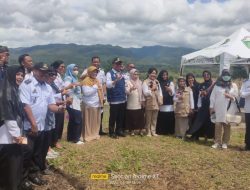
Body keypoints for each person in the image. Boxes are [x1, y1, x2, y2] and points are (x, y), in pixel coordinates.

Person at [19, 62, 64, 187]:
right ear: (34, 70)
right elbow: (25, 105)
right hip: (28, 127)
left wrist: (60, 109)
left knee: (37, 153)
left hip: (41, 126)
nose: (43, 74)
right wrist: (33, 124)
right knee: (26, 153)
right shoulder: (27, 84)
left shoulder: (47, 87)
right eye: (41, 71)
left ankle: (33, 175)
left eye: (45, 72)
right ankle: (22, 179)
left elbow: (51, 105)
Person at [0, 65, 25, 190]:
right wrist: (17, 135)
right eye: (17, 74)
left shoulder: (13, 89)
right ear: (10, 74)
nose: (20, 77)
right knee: (10, 166)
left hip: (14, 133)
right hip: (8, 135)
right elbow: (8, 116)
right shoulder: (7, 92)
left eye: (22, 75)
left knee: (14, 165)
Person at [210, 70, 238, 149]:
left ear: (230, 76)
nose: (226, 76)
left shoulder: (233, 85)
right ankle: (217, 142)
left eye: (228, 74)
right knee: (218, 125)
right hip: (218, 108)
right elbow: (212, 97)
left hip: (229, 109)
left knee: (227, 126)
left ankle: (225, 142)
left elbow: (236, 97)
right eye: (224, 74)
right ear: (221, 76)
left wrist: (230, 97)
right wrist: (211, 107)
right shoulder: (217, 85)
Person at [80, 56, 107, 135]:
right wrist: (88, 73)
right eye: (94, 62)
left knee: (100, 113)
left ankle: (99, 129)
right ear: (91, 62)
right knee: (90, 115)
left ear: (99, 62)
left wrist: (104, 95)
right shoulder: (87, 70)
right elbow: (81, 78)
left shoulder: (101, 72)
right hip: (90, 96)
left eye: (97, 62)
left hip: (99, 95)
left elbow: (104, 83)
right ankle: (89, 131)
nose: (96, 63)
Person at [188, 70, 215, 140]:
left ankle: (210, 136)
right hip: (203, 106)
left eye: (207, 74)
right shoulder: (201, 84)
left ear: (210, 75)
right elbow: (199, 95)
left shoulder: (214, 84)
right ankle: (195, 135)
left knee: (210, 121)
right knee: (199, 121)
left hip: (211, 106)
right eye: (204, 75)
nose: (206, 76)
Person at [81, 66, 104, 142]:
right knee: (88, 121)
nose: (95, 73)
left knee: (95, 121)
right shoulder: (86, 80)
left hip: (96, 104)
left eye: (96, 72)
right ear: (89, 72)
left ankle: (94, 134)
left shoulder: (96, 80)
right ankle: (88, 135)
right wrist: (95, 87)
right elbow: (86, 93)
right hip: (88, 104)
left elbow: (100, 90)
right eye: (93, 71)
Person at [106, 57, 127, 138]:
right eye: (117, 63)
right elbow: (108, 85)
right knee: (113, 117)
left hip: (122, 98)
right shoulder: (109, 73)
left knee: (120, 116)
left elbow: (125, 83)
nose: (119, 65)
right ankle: (111, 132)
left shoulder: (122, 73)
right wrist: (116, 80)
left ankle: (119, 130)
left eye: (120, 64)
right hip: (114, 99)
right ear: (113, 64)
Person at [64, 64, 83, 144]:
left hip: (76, 100)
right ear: (69, 70)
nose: (76, 71)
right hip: (72, 100)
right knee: (77, 120)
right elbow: (67, 88)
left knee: (72, 120)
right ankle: (76, 138)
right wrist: (74, 85)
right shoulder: (68, 78)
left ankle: (70, 137)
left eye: (76, 69)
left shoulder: (74, 78)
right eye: (74, 69)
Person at [142, 67, 163, 137]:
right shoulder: (145, 82)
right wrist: (152, 90)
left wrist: (160, 99)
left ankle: (153, 131)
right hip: (149, 101)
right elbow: (145, 92)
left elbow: (160, 92)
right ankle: (148, 131)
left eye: (155, 73)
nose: (153, 75)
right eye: (152, 73)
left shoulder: (157, 82)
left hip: (156, 101)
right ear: (149, 73)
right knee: (148, 117)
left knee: (154, 118)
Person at [50, 60, 66, 149]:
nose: (63, 68)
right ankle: (54, 141)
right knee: (55, 123)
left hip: (61, 100)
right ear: (56, 67)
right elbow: (54, 92)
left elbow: (61, 88)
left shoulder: (59, 76)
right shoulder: (53, 77)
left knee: (60, 122)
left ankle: (57, 139)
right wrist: (63, 92)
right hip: (55, 102)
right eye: (61, 67)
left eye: (64, 67)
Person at [125, 68, 145, 136]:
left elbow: (142, 92)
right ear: (131, 74)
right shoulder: (128, 82)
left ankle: (140, 130)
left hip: (139, 102)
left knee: (140, 117)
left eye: (137, 74)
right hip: (131, 102)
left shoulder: (140, 82)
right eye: (134, 74)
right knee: (132, 117)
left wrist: (142, 100)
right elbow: (126, 92)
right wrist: (130, 89)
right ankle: (132, 130)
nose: (136, 75)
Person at [156, 70, 175, 135]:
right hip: (161, 102)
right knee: (161, 117)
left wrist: (169, 90)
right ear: (161, 75)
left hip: (169, 102)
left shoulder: (170, 82)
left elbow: (173, 93)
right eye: (163, 75)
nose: (165, 76)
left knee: (169, 117)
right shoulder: (158, 82)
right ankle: (161, 131)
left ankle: (169, 131)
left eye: (166, 75)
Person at [185, 73, 200, 140]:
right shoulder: (185, 86)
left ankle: (195, 136)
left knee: (195, 121)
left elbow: (198, 95)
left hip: (196, 106)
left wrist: (192, 87)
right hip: (188, 105)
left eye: (192, 78)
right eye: (189, 78)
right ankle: (188, 133)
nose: (190, 79)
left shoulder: (198, 85)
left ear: (194, 78)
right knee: (189, 121)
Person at [240, 74, 250, 151]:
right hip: (248, 109)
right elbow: (242, 94)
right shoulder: (246, 82)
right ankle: (248, 145)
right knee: (248, 128)